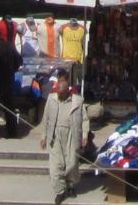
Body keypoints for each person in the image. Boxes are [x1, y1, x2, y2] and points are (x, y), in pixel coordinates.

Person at [39, 73, 87, 202]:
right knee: (55, 167)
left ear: (67, 92)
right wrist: (43, 137)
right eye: (58, 93)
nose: (59, 95)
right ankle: (59, 191)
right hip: (55, 135)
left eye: (62, 94)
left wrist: (84, 135)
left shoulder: (77, 101)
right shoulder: (51, 99)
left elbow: (85, 120)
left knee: (71, 163)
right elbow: (46, 119)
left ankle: (70, 185)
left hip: (72, 134)